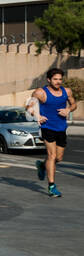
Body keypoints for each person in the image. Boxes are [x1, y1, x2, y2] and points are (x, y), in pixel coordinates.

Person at [32, 67, 76, 197]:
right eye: (55, 79)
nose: (58, 82)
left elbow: (74, 104)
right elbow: (29, 106)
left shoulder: (66, 91)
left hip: (61, 128)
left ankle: (42, 165)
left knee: (59, 158)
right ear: (49, 79)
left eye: (60, 79)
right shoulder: (40, 92)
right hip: (47, 127)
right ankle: (52, 186)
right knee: (51, 156)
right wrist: (37, 116)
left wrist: (69, 110)